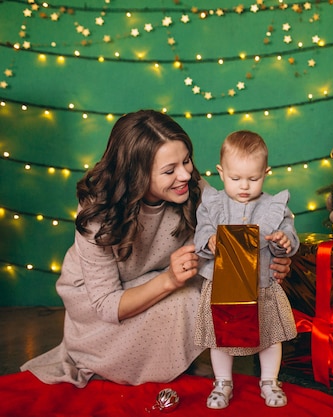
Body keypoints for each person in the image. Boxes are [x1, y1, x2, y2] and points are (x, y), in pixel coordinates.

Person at [20, 110, 291, 388]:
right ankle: (119, 361)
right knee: (189, 300)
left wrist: (270, 257)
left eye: (186, 160)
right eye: (169, 170)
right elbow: (106, 305)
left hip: (167, 279)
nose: (186, 174)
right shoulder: (98, 212)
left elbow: (239, 227)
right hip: (104, 308)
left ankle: (173, 361)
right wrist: (169, 280)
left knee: (209, 290)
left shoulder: (194, 189)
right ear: (136, 174)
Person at [193, 130, 299, 409]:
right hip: (220, 285)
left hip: (262, 284)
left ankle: (269, 381)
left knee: (270, 335)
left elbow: (288, 240)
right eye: (235, 178)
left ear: (265, 173)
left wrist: (282, 242)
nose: (244, 186)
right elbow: (200, 235)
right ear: (220, 172)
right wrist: (210, 241)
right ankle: (223, 382)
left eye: (253, 179)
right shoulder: (213, 205)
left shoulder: (274, 206)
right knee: (220, 338)